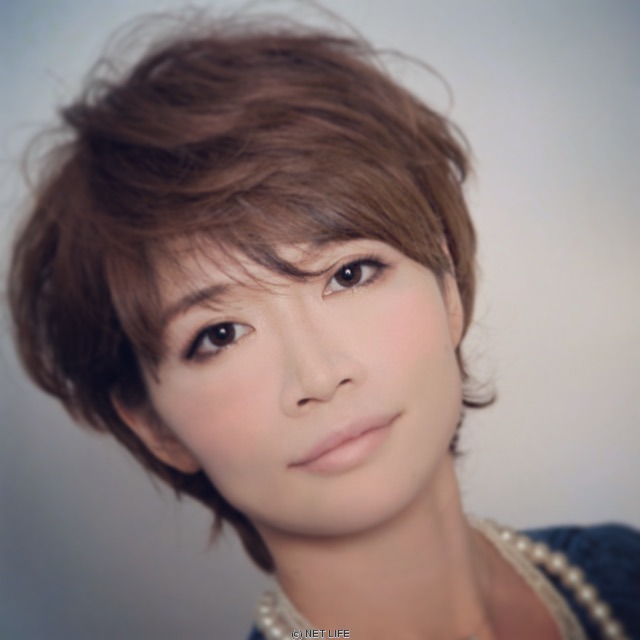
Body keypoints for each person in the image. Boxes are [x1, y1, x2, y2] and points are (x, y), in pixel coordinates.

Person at [7, 12, 639, 640]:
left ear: (446, 283)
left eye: (350, 273)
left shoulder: (621, 574)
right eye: (220, 334)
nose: (318, 376)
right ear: (154, 427)